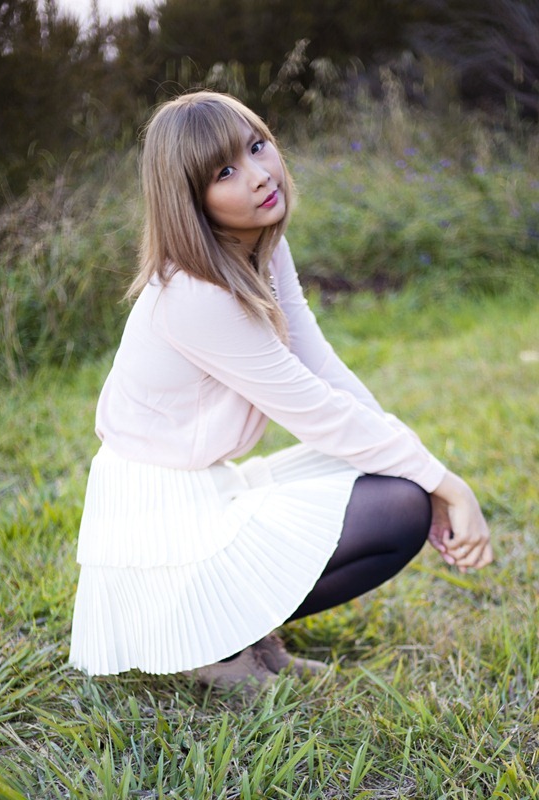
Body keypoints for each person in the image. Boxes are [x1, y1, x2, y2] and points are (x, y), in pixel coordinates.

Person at [69, 91, 492, 690]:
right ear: (190, 199)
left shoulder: (259, 247)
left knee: (397, 485)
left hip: (207, 487)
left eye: (257, 146)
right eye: (225, 172)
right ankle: (212, 642)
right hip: (162, 516)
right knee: (398, 506)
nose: (260, 175)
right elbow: (313, 409)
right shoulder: (195, 294)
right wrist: (447, 484)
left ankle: (238, 629)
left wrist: (422, 467)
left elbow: (320, 366)